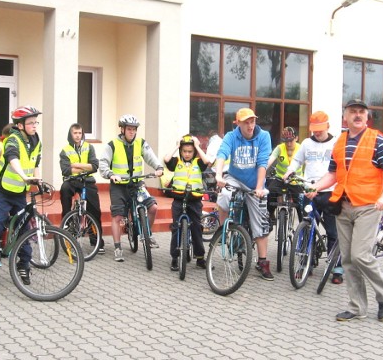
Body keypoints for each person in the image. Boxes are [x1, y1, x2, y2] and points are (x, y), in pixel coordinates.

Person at [308, 99, 383, 322]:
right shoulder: (339, 143)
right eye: (352, 112)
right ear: (345, 117)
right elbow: (333, 174)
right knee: (347, 259)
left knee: (360, 255)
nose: (357, 115)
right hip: (343, 206)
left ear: (367, 117)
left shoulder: (377, 140)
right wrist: (316, 187)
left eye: (361, 112)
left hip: (368, 206)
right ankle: (357, 307)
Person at [0, 106, 42, 283]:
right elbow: (13, 159)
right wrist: (24, 176)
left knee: (23, 228)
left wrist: (37, 179)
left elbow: (36, 162)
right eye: (31, 123)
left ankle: (24, 264)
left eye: (36, 122)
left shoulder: (35, 140)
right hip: (2, 190)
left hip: (19, 192)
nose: (35, 125)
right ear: (20, 125)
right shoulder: (12, 140)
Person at [214, 108, 273, 280]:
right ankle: (223, 230)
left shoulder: (263, 136)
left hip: (256, 183)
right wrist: (218, 175)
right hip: (235, 178)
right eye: (246, 122)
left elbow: (263, 163)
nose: (250, 126)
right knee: (224, 195)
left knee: (260, 221)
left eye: (252, 121)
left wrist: (259, 187)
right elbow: (222, 154)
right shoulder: (231, 137)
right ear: (238, 123)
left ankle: (262, 262)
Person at [284, 111, 342, 284]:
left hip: (330, 192)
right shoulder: (307, 144)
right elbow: (297, 161)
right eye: (314, 129)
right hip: (309, 190)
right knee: (306, 227)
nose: (317, 132)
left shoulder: (336, 143)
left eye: (320, 129)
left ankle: (337, 268)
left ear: (327, 126)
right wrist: (289, 171)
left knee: (332, 231)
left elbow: (341, 168)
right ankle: (304, 263)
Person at [99, 114, 164, 262]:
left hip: (136, 184)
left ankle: (148, 234)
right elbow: (102, 164)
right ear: (122, 129)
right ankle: (117, 247)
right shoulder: (112, 144)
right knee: (117, 216)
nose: (132, 132)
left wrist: (158, 167)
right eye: (129, 129)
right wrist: (110, 174)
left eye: (134, 129)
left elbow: (150, 156)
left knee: (153, 207)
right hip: (119, 186)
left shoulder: (141, 143)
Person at [163, 134, 210, 271]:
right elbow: (166, 159)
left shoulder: (198, 162)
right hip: (178, 199)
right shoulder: (176, 162)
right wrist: (177, 146)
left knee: (197, 228)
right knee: (176, 228)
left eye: (190, 151)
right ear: (181, 151)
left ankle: (200, 258)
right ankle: (175, 258)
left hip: (194, 201)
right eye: (184, 151)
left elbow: (206, 161)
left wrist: (197, 146)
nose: (187, 154)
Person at [59, 122, 105, 254]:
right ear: (71, 134)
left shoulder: (89, 147)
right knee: (64, 189)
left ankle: (97, 241)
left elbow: (95, 166)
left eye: (80, 133)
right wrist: (86, 166)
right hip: (72, 181)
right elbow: (66, 170)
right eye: (75, 133)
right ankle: (67, 221)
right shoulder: (65, 150)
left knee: (95, 210)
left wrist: (76, 164)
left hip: (87, 181)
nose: (78, 136)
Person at [267, 127, 304, 223]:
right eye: (286, 141)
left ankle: (303, 227)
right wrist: (262, 171)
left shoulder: (301, 148)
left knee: (300, 203)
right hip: (280, 178)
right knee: (270, 192)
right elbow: (270, 160)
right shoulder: (279, 148)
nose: (288, 144)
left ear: (296, 138)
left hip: (295, 180)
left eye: (291, 141)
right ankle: (271, 214)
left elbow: (308, 163)